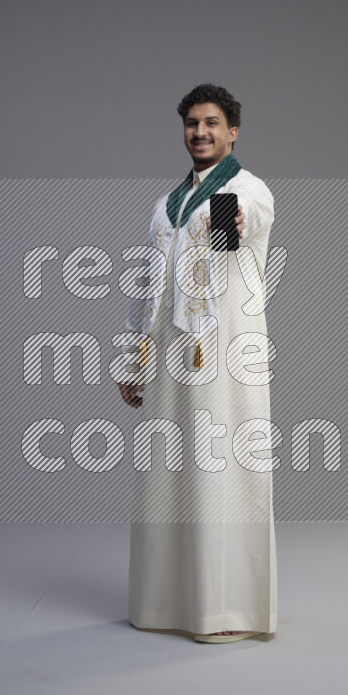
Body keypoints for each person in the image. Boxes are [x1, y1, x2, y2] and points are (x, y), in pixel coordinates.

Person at [118, 83, 277, 644]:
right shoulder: (165, 205)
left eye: (212, 123)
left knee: (221, 475)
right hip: (169, 363)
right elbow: (149, 284)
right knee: (167, 475)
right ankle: (167, 605)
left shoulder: (250, 190)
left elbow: (241, 222)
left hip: (223, 358)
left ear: (232, 131)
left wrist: (230, 217)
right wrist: (133, 359)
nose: (200, 132)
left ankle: (225, 609)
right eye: (192, 123)